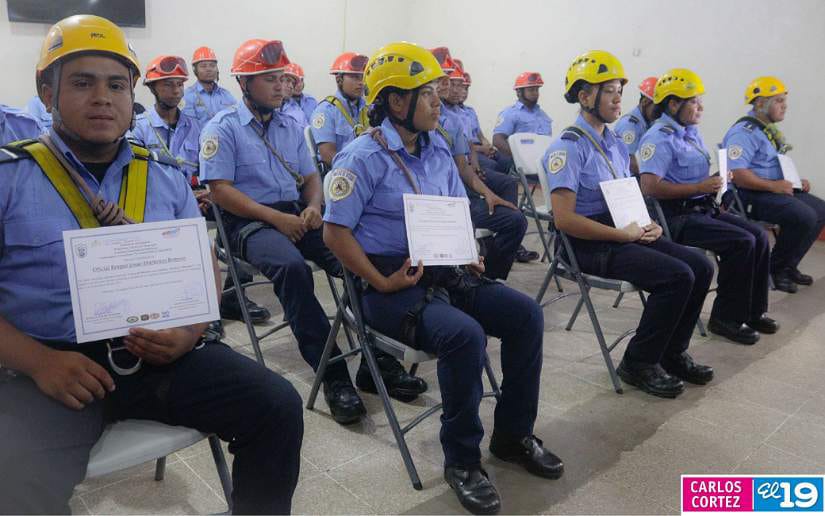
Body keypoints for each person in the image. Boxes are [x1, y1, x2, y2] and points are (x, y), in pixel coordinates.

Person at [0, 16, 302, 514]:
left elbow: (206, 269)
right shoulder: (12, 179)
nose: (103, 97)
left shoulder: (161, 176)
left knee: (277, 406)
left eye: (117, 84)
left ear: (132, 95)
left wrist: (189, 330)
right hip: (51, 368)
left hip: (161, 353)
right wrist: (38, 363)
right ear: (46, 93)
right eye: (82, 82)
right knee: (13, 477)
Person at [323, 41, 563, 515]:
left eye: (437, 92)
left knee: (525, 314)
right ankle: (462, 460)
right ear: (396, 101)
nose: (439, 101)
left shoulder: (437, 149)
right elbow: (334, 234)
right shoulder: (360, 158)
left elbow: (452, 210)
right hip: (386, 281)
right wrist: (383, 279)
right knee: (464, 335)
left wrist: (466, 251)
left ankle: (513, 436)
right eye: (428, 93)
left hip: (443, 269)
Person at [199, 39, 425, 425]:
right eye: (268, 79)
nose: (279, 86)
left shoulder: (292, 124)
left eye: (281, 78)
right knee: (293, 269)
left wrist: (314, 207)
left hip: (296, 215)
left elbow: (310, 178)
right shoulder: (222, 128)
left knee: (356, 257)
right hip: (248, 223)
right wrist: (277, 220)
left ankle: (377, 362)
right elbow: (220, 191)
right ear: (244, 83)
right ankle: (335, 377)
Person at [546, 50, 714, 398]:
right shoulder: (569, 147)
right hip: (586, 242)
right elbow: (564, 219)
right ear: (584, 96)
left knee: (700, 264)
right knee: (677, 276)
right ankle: (638, 362)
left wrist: (648, 223)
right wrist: (620, 234)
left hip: (623, 231)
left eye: (619, 89)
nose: (618, 97)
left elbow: (627, 194)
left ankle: (671, 352)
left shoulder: (615, 144)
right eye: (609, 90)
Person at [638, 68, 777, 345]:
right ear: (674, 104)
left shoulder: (690, 132)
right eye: (694, 101)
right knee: (741, 241)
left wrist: (716, 181)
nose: (700, 107)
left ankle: (751, 311)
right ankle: (725, 318)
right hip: (674, 216)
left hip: (700, 207)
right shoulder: (658, 137)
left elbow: (693, 179)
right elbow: (650, 187)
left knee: (759, 236)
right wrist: (698, 188)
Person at [431, 52, 530, 278]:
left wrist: (488, 194)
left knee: (516, 220)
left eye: (449, 79)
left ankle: (489, 276)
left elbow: (463, 166)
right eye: (440, 79)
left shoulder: (453, 123)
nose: (447, 85)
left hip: (462, 201)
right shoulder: (411, 128)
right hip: (433, 207)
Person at [723, 76, 825, 292]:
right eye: (778, 101)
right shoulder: (744, 133)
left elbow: (772, 165)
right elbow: (738, 175)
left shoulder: (766, 130)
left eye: (784, 101)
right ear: (760, 103)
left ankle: (788, 266)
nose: (784, 106)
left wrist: (796, 182)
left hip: (770, 189)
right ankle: (774, 269)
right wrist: (774, 186)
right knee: (803, 216)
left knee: (820, 210)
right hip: (748, 193)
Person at [132, 55, 203, 183]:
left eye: (180, 84)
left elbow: (204, 171)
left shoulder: (195, 127)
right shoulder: (139, 129)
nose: (176, 90)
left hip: (192, 199)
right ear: (152, 88)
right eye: (168, 84)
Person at [309, 52, 369, 170]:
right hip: (341, 176)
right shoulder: (325, 111)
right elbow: (328, 156)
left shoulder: (368, 108)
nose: (361, 83)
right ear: (339, 79)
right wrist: (359, 172)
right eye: (355, 77)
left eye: (363, 77)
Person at [492, 72, 552, 158]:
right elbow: (497, 141)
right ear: (519, 92)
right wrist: (520, 157)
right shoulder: (510, 114)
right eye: (531, 90)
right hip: (519, 163)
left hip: (542, 161)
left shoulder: (543, 115)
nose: (535, 93)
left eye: (537, 89)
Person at [182, 46, 237, 125]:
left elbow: (237, 121)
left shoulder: (226, 95)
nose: (209, 69)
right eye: (203, 66)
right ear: (195, 70)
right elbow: (189, 129)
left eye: (212, 65)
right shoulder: (187, 97)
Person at [614, 76, 658, 175]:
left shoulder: (650, 122)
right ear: (645, 102)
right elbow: (629, 160)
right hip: (629, 180)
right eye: (657, 108)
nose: (660, 112)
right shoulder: (629, 125)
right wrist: (644, 181)